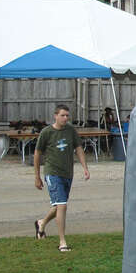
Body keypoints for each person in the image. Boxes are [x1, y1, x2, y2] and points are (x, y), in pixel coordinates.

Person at [33, 104, 90, 252]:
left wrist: (85, 168)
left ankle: (41, 223)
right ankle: (62, 242)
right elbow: (37, 154)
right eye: (62, 115)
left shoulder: (71, 131)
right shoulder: (46, 132)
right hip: (52, 172)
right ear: (55, 116)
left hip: (67, 173)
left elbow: (78, 148)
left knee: (58, 206)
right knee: (62, 205)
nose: (65, 118)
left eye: (67, 116)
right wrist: (37, 176)